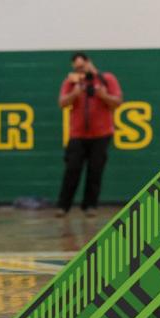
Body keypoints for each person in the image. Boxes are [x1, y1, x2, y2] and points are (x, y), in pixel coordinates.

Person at [56, 52, 123, 217]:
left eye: (82, 66)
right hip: (77, 134)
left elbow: (118, 102)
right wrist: (75, 93)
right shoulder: (71, 82)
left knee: (95, 171)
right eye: (77, 68)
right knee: (72, 170)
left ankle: (90, 206)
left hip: (101, 134)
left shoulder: (107, 79)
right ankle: (63, 206)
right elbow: (62, 103)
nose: (81, 70)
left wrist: (103, 95)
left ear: (89, 62)